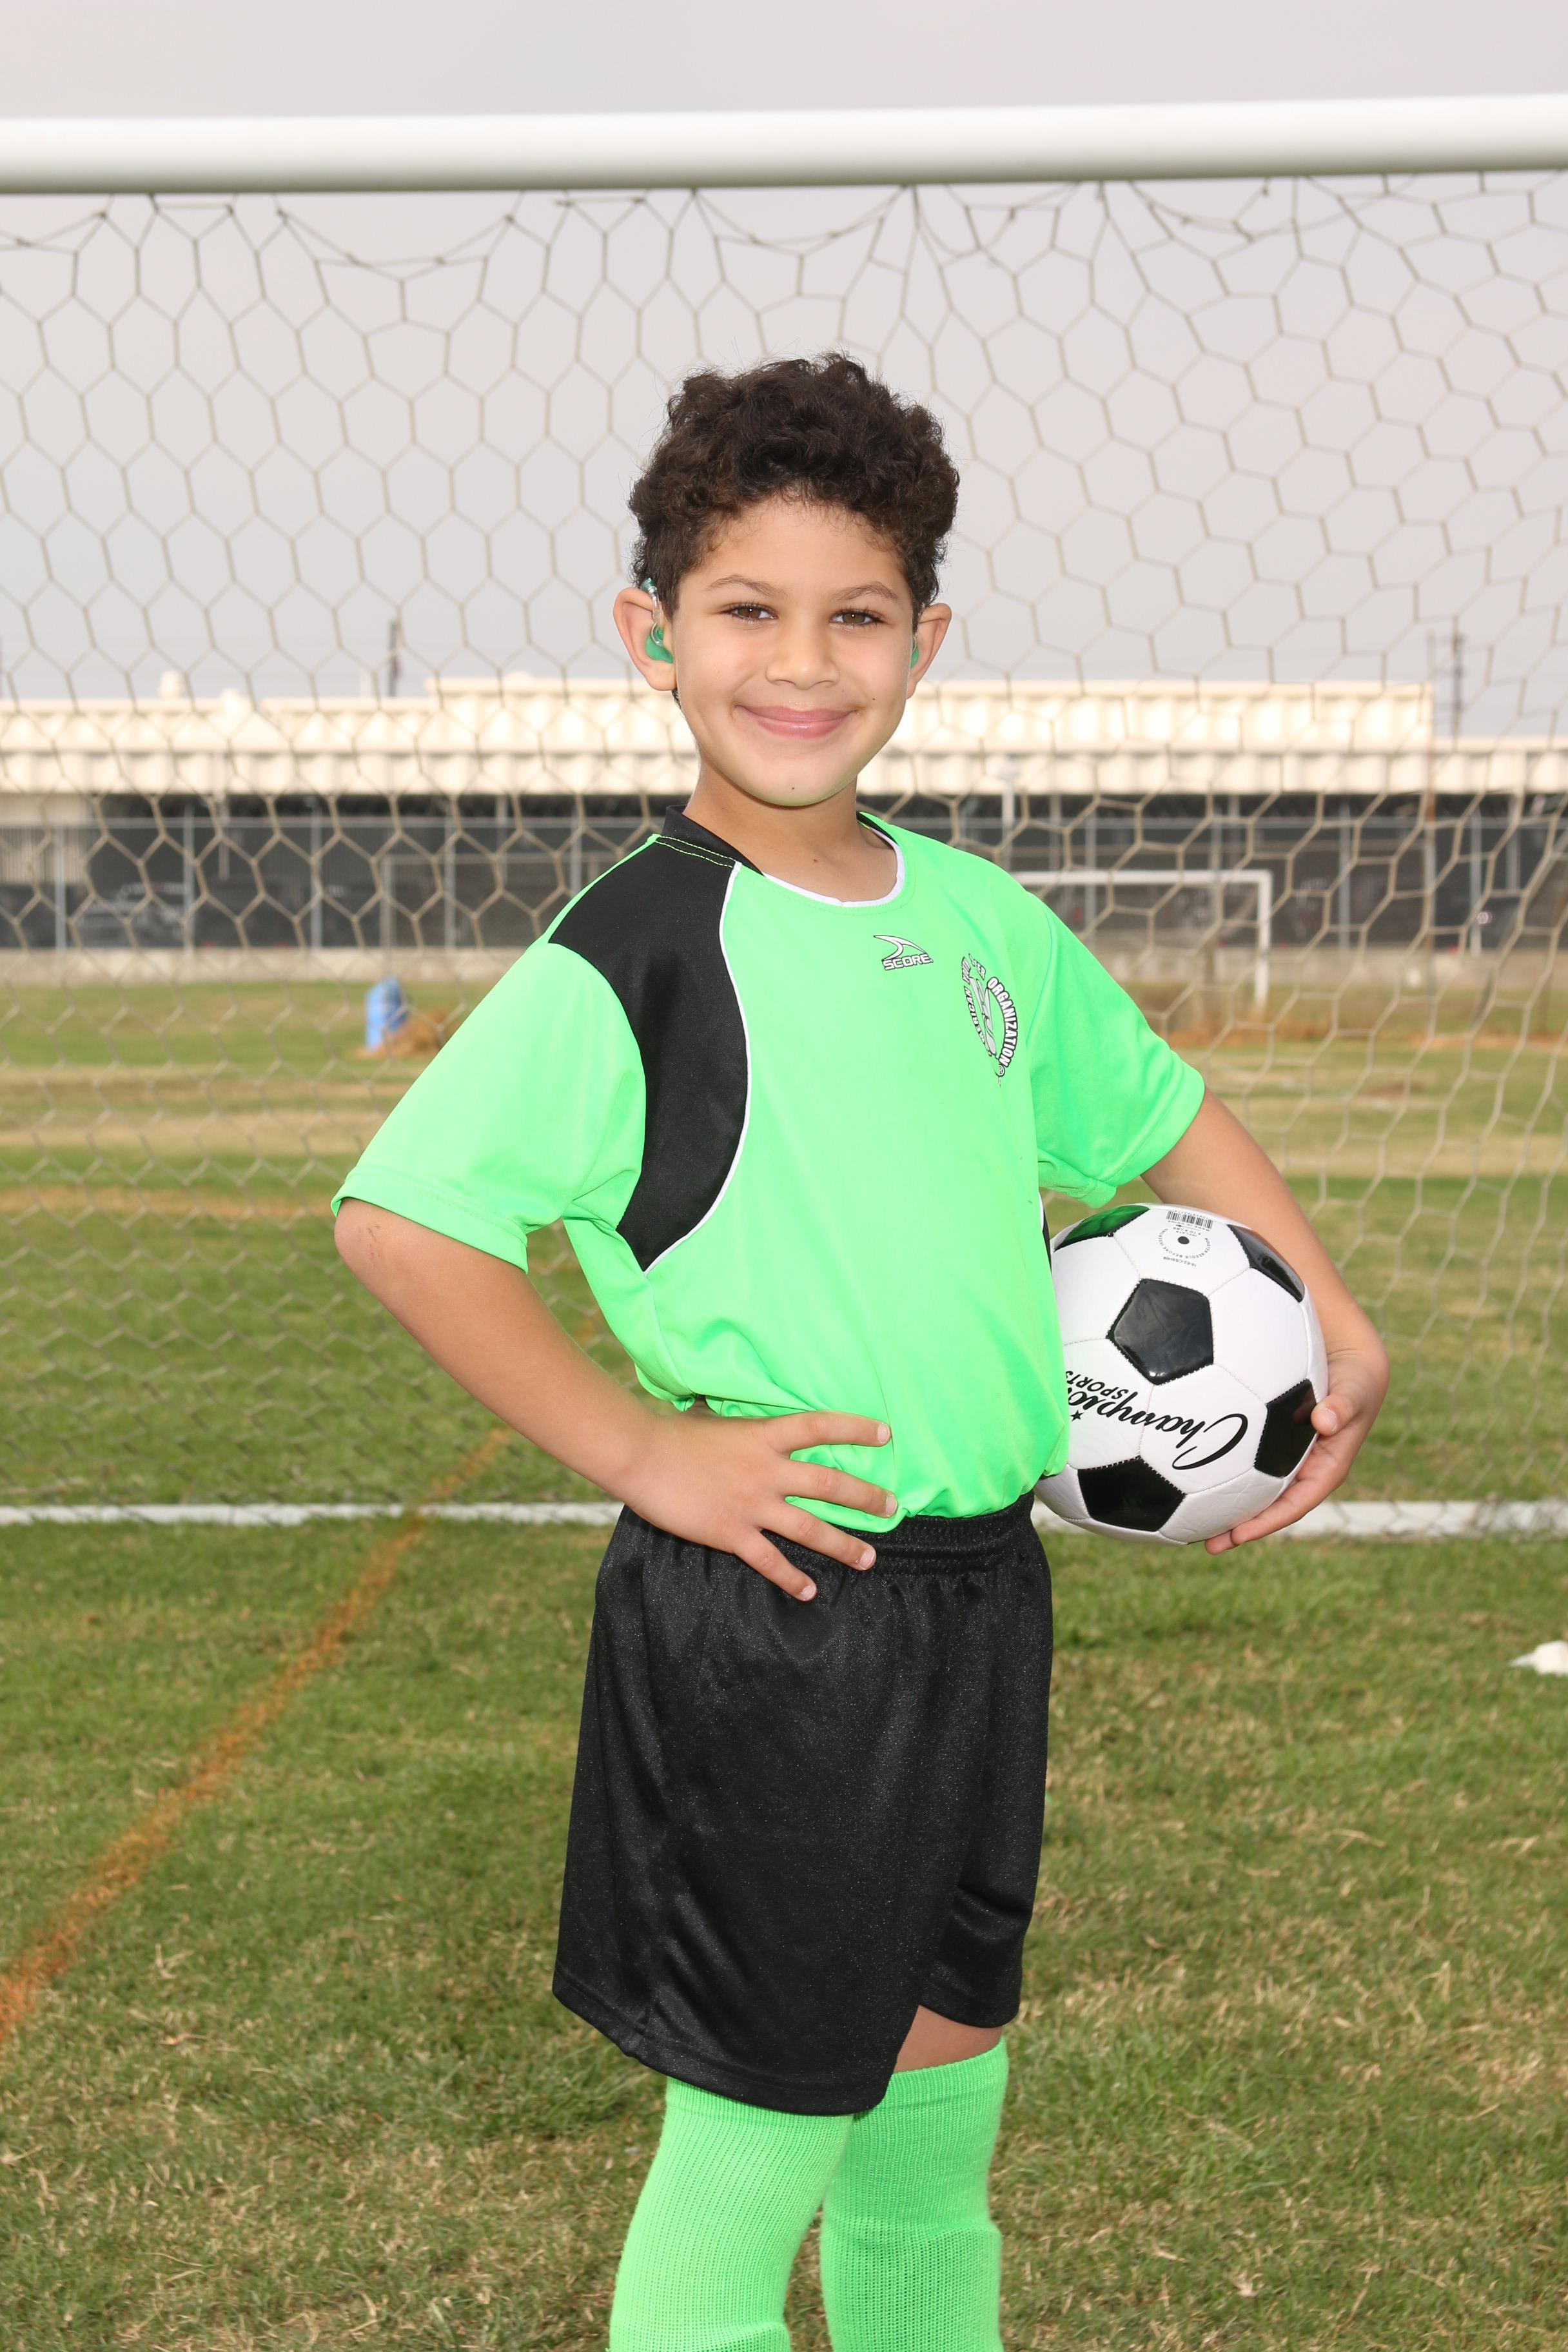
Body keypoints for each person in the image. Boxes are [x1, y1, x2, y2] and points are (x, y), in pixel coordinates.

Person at [331, 353, 1389, 2351]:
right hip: (783, 1598)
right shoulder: (640, 950)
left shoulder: (984, 924)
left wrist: (1325, 1304)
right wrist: (647, 1450)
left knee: (930, 2132)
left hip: (978, 1592)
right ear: (654, 636)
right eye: (749, 610)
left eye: (856, 615)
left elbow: (1155, 1108)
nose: (803, 664)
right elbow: (404, 1221)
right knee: (750, 2160)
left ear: (926, 640)